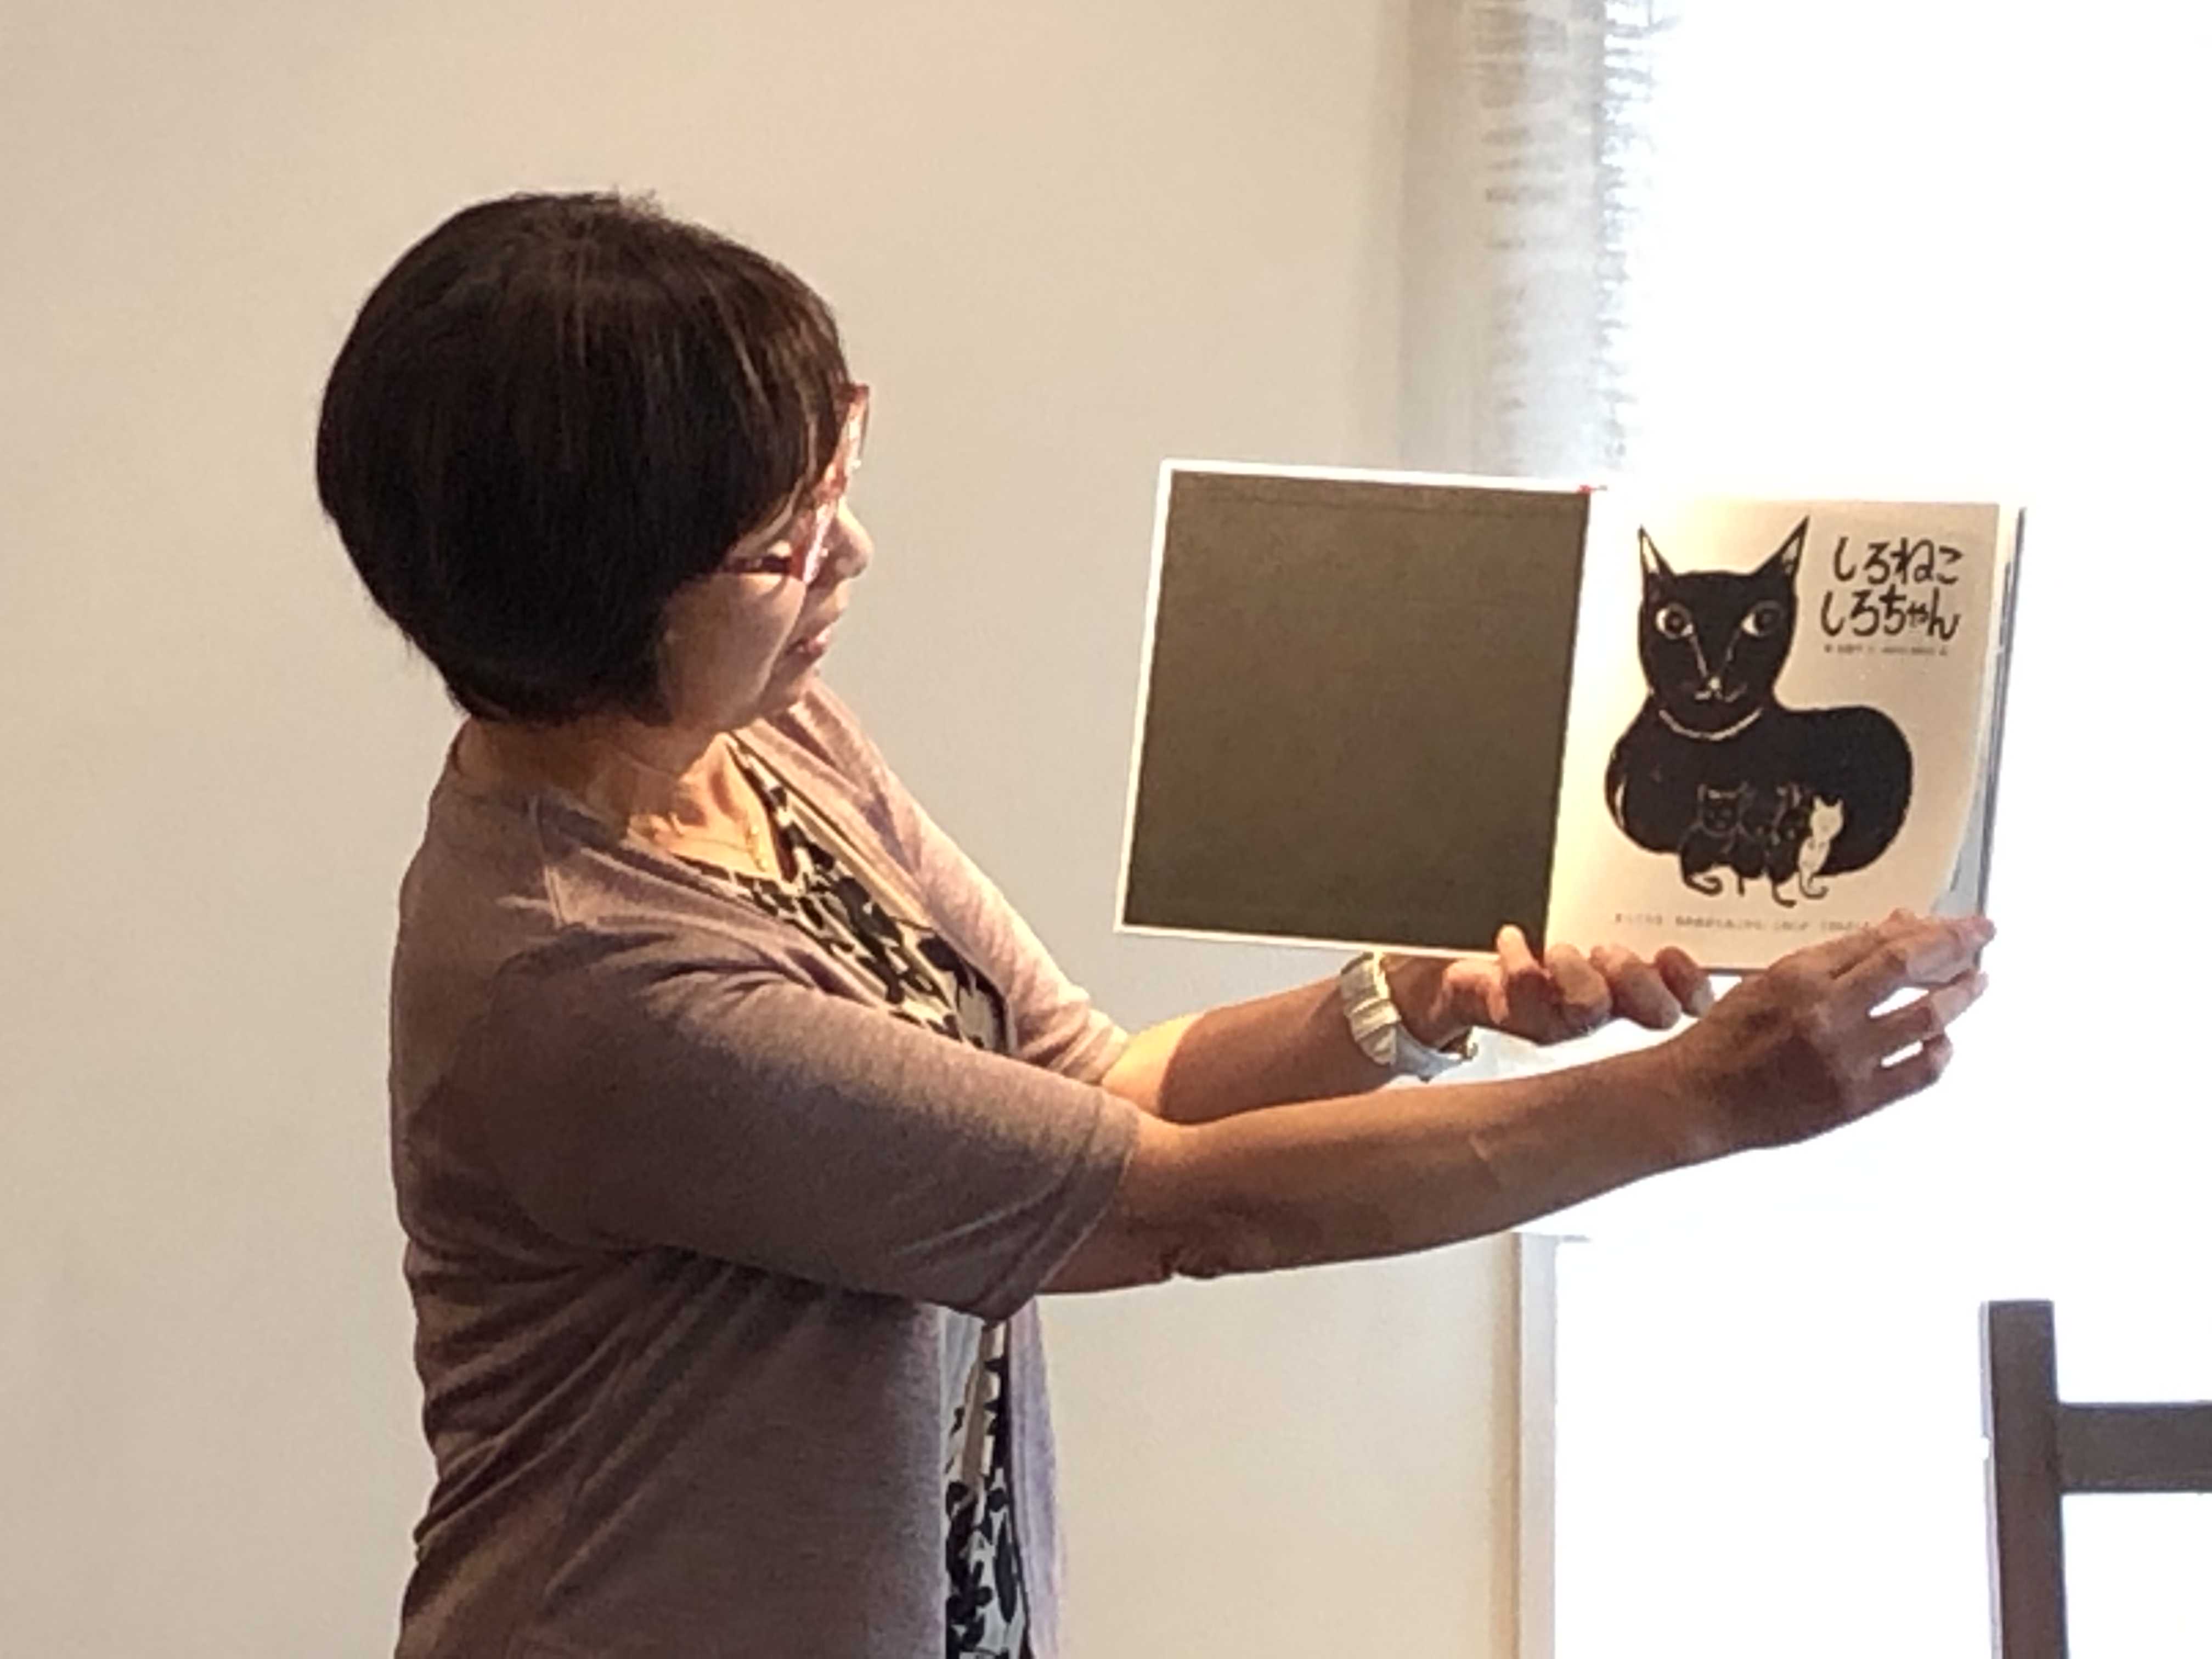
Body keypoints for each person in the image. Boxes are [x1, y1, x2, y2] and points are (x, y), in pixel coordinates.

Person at [315, 191, 1991, 1659]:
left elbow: (1100, 1085)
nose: (850, 555)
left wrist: (1416, 1003)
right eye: (780, 544)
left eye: (832, 478)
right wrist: (1698, 1096)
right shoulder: (584, 975)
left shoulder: (765, 742)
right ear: (595, 594)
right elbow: (1183, 1206)